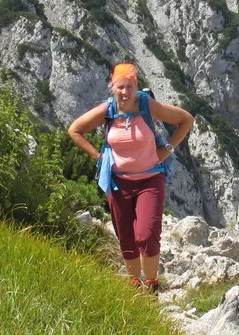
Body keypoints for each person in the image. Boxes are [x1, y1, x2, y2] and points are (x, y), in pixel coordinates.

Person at [67, 63, 194, 293]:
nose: (124, 92)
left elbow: (186, 119)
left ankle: (152, 285)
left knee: (146, 234)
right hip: (118, 182)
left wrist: (166, 150)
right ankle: (134, 285)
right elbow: (75, 130)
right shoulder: (108, 110)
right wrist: (99, 158)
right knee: (125, 235)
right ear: (111, 88)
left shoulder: (147, 105)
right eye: (120, 87)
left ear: (136, 87)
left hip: (150, 180)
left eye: (129, 87)